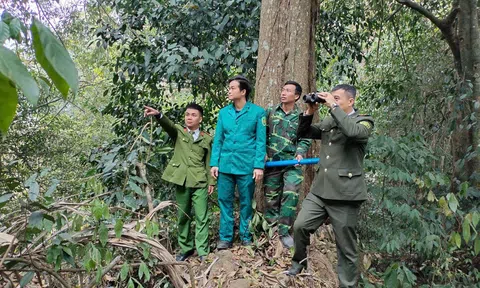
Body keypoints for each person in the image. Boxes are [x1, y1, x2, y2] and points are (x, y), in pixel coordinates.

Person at [287, 84, 374, 288]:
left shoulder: (364, 122)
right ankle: (298, 262)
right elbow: (304, 133)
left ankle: (348, 285)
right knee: (300, 226)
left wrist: (333, 106)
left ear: (350, 101)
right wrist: (310, 112)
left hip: (345, 194)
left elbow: (352, 133)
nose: (332, 101)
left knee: (346, 248)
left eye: (337, 98)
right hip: (321, 190)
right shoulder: (330, 119)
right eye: (332, 97)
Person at [144, 103, 215, 262]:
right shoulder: (178, 131)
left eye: (193, 115)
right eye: (187, 114)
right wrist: (158, 115)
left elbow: (209, 161)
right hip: (181, 180)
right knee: (183, 216)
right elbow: (167, 125)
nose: (189, 117)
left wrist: (211, 182)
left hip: (200, 181)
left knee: (201, 217)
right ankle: (186, 249)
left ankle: (203, 251)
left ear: (200, 119)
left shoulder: (207, 138)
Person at [210, 75, 267, 249]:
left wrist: (258, 165)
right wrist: (214, 163)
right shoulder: (223, 113)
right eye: (230, 88)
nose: (229, 90)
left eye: (233, 88)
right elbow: (218, 139)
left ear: (243, 91)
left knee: (245, 202)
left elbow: (260, 141)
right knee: (224, 201)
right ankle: (225, 238)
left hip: (246, 165)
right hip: (226, 165)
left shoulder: (258, 112)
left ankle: (245, 235)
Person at [264, 81, 312, 248]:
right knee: (271, 198)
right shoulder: (270, 112)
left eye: (288, 91)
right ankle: (271, 230)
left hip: (292, 163)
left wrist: (300, 152)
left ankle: (284, 232)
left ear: (297, 96)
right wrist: (262, 152)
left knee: (290, 194)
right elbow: (262, 134)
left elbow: (305, 137)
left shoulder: (302, 115)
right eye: (283, 90)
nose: (283, 93)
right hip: (271, 163)